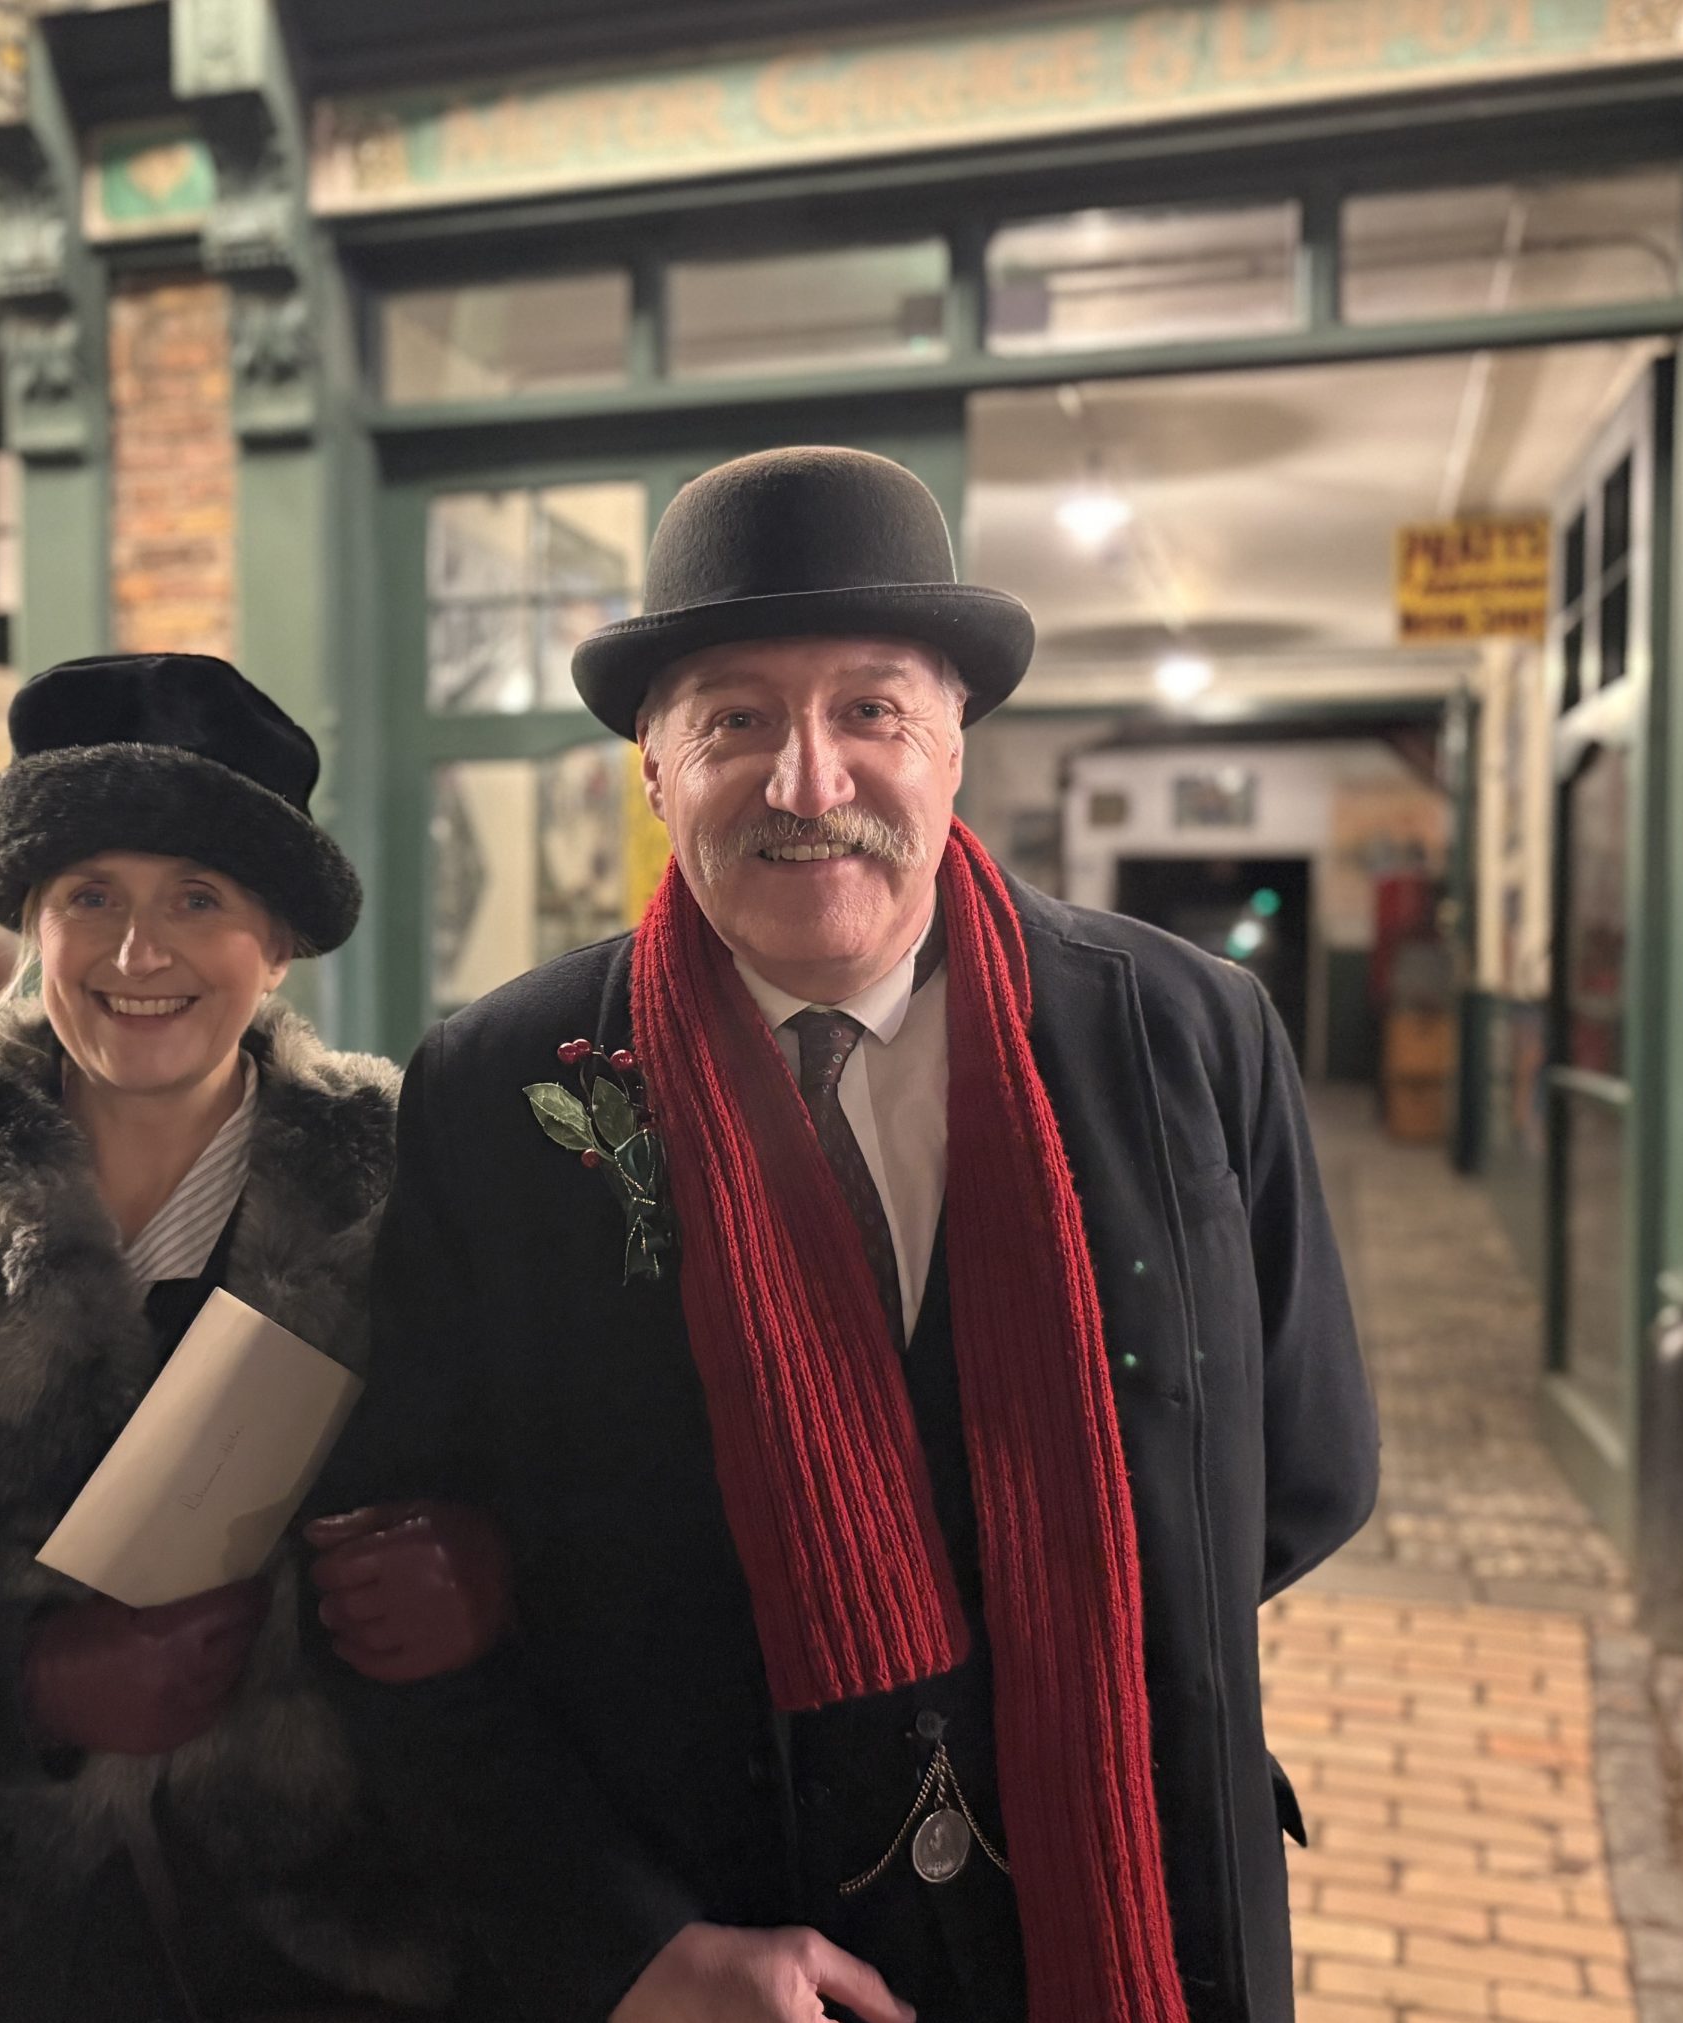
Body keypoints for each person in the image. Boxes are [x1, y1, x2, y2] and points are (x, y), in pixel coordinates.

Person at [317, 448, 1380, 2023]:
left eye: (869, 711)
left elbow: (1298, 1475)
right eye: (734, 718)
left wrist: (1044, 1624)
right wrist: (620, 1944)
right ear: (655, 772)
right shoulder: (501, 1085)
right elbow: (394, 1573)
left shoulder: (1184, 1036)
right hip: (713, 1936)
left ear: (954, 749)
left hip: (1127, 1898)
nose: (807, 782)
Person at [0, 653, 499, 2022]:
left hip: (331, 1952)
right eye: (89, 899)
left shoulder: (409, 1203)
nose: (138, 952)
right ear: (31, 926)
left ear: (276, 938)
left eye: (197, 898)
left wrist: (490, 1578)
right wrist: (26, 1681)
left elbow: (571, 1515)